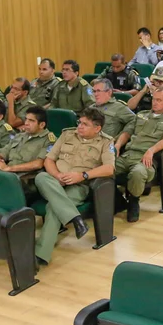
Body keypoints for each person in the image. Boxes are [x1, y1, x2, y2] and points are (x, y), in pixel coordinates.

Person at [32, 108, 114, 265]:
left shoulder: (105, 141)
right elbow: (49, 160)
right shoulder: (67, 134)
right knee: (41, 176)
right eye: (79, 122)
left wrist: (82, 175)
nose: (80, 127)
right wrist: (57, 175)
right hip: (54, 181)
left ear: (97, 128)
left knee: (53, 207)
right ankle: (75, 219)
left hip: (79, 185)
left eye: (85, 124)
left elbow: (109, 169)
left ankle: (40, 255)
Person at [114, 89, 163, 222]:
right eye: (153, 99)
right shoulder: (141, 115)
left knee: (137, 173)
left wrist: (151, 150)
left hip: (148, 159)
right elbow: (127, 132)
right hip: (128, 154)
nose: (154, 103)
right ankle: (118, 200)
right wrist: (117, 145)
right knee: (104, 169)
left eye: (159, 100)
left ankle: (133, 201)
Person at [0, 106, 55, 193]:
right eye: (26, 119)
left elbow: (38, 164)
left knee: (0, 181)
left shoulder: (49, 141)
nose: (26, 123)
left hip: (26, 177)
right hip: (8, 171)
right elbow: (5, 151)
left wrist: (9, 168)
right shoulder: (20, 135)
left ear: (42, 125)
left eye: (31, 121)